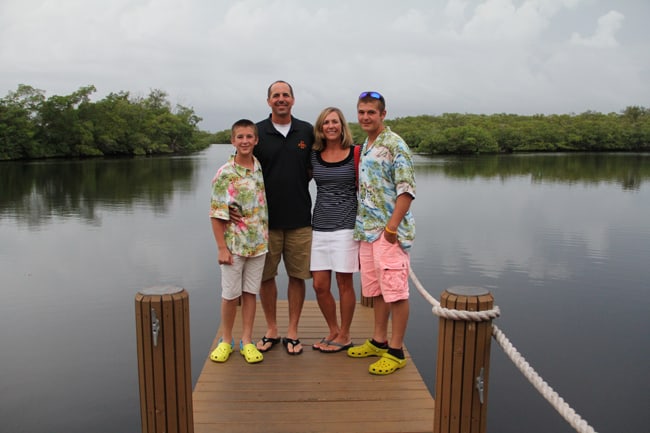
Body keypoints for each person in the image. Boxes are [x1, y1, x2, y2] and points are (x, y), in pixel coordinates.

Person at [347, 91, 416, 375]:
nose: (365, 117)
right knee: (376, 290)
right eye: (361, 112)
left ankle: (396, 350)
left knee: (396, 292)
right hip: (367, 231)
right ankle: (378, 340)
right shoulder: (365, 145)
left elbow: (407, 191)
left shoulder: (394, 144)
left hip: (389, 233)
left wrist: (391, 229)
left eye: (371, 113)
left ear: (383, 114)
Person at [252, 80, 314, 355]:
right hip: (264, 222)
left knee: (297, 276)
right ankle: (272, 329)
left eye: (285, 95)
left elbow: (317, 167)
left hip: (300, 218)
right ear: (268, 101)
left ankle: (292, 332)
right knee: (266, 277)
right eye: (276, 95)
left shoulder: (307, 131)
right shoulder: (256, 132)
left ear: (293, 99)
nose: (281, 99)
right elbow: (240, 172)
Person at [209, 119, 268, 364]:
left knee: (251, 293)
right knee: (231, 295)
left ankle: (247, 340)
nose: (245, 141)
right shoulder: (225, 173)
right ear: (233, 141)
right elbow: (216, 213)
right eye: (240, 137)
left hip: (258, 244)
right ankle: (226, 340)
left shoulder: (258, 166)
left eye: (249, 137)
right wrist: (221, 248)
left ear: (256, 140)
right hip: (233, 245)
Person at [310, 107, 359, 353]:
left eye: (335, 122)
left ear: (342, 126)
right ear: (320, 128)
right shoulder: (314, 156)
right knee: (319, 285)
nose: (330, 126)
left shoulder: (355, 154)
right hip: (319, 226)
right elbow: (293, 181)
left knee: (344, 283)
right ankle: (333, 329)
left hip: (346, 227)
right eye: (325, 122)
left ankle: (346, 335)